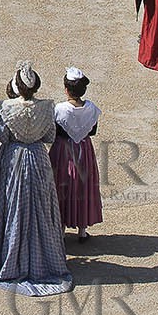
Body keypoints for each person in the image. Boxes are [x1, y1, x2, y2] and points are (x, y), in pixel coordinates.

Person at [0, 63, 71, 295]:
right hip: (38, 158)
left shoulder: (6, 107)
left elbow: (3, 136)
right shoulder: (47, 107)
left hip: (14, 157)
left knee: (14, 206)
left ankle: (11, 256)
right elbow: (49, 136)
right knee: (41, 207)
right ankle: (46, 256)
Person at [49, 69, 101, 242]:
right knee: (83, 186)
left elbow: (54, 133)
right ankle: (82, 230)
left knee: (61, 185)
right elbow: (92, 131)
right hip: (84, 150)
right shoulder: (91, 108)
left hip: (63, 151)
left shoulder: (59, 109)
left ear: (66, 89)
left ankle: (61, 228)